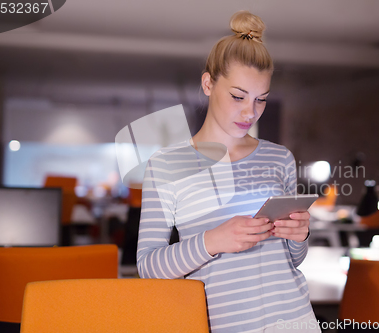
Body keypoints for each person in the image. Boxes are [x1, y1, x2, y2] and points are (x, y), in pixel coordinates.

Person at [137, 10, 321, 333]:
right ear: (208, 83)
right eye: (238, 96)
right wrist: (213, 240)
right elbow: (148, 266)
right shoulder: (166, 165)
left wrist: (300, 235)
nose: (250, 112)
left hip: (297, 321)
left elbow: (293, 261)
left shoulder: (280, 158)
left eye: (260, 100)